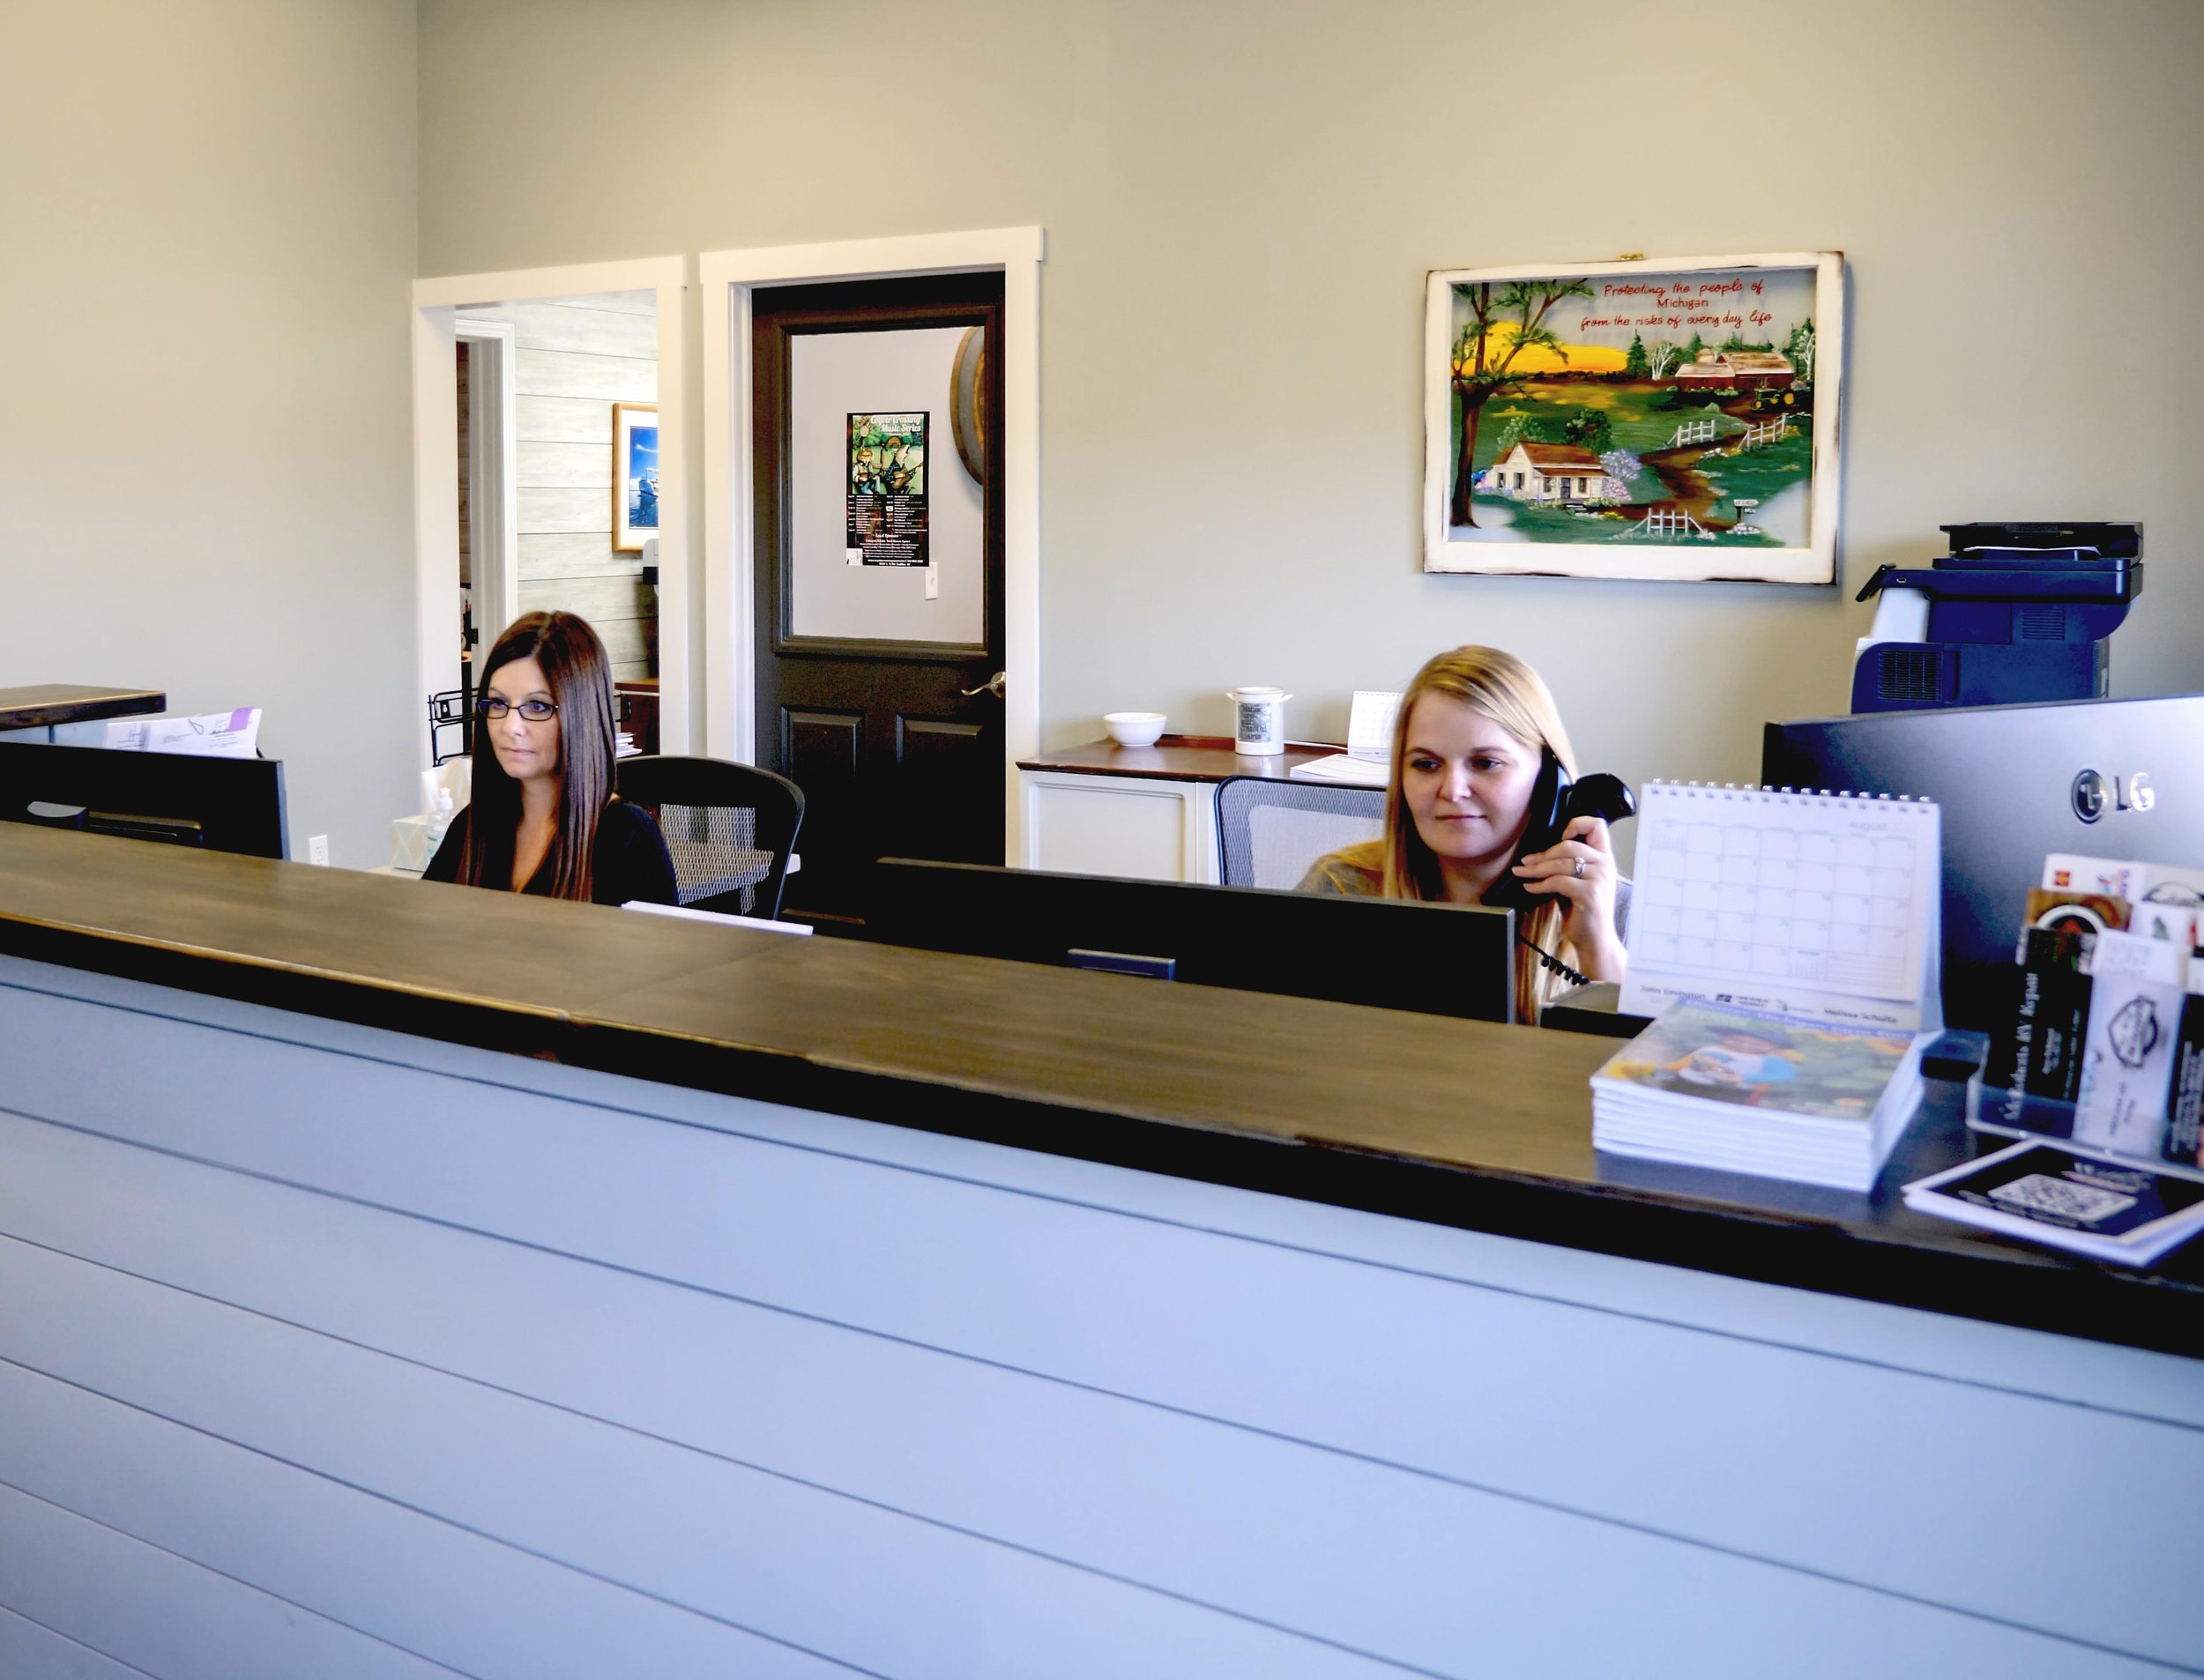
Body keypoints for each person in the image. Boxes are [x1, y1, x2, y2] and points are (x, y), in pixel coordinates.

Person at [1297, 645, 1629, 1023]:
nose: (1452, 790)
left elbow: (1652, 1057)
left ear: (1551, 781)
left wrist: (1597, 946)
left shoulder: (1617, 912)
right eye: (1426, 764)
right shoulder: (1343, 889)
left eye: (1485, 763)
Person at [424, 610, 677, 906]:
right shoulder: (475, 823)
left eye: (538, 706)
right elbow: (422, 923)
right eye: (498, 703)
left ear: (580, 716)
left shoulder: (626, 836)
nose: (510, 727)